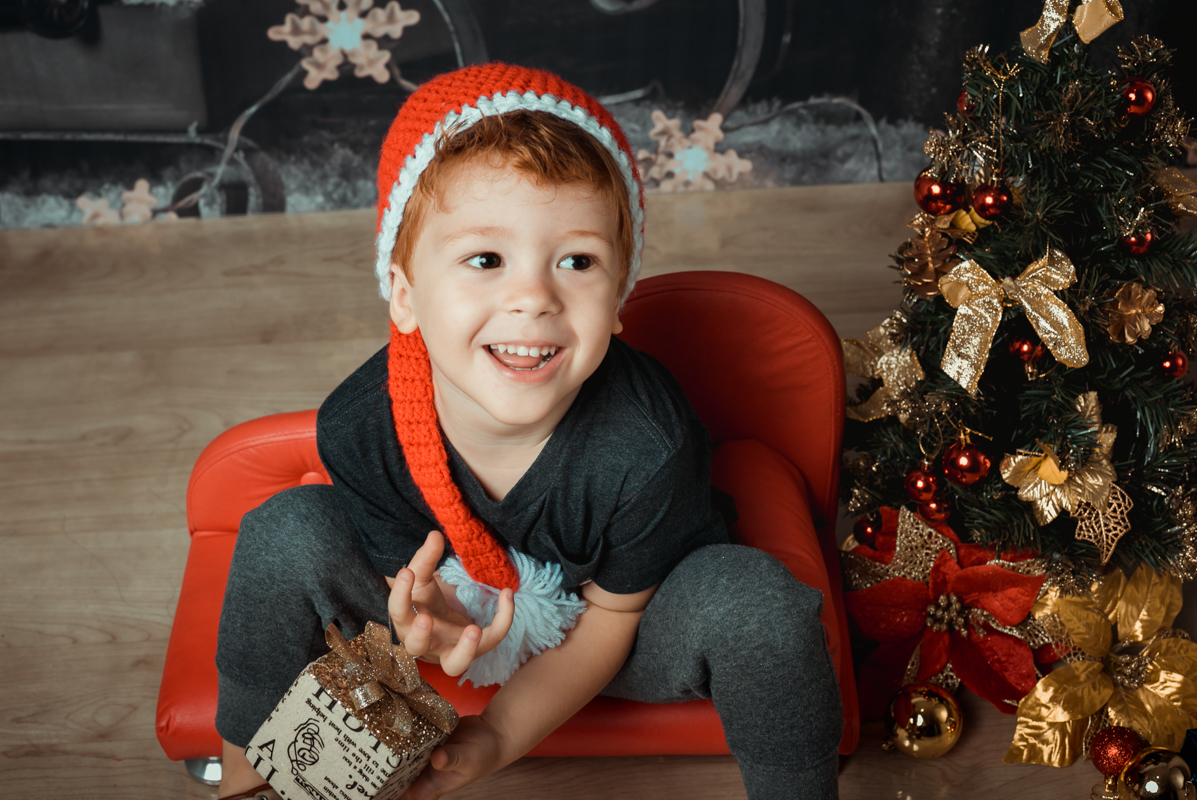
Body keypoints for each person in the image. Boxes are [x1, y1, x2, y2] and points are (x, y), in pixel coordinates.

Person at [213, 62, 842, 800]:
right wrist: (423, 621)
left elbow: (611, 621)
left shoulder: (646, 441)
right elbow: (401, 581)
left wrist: (499, 733)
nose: (533, 298)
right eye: (485, 259)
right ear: (405, 296)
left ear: (617, 300)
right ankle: (242, 767)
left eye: (576, 261)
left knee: (757, 605)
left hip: (612, 631)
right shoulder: (363, 422)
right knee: (286, 530)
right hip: (447, 609)